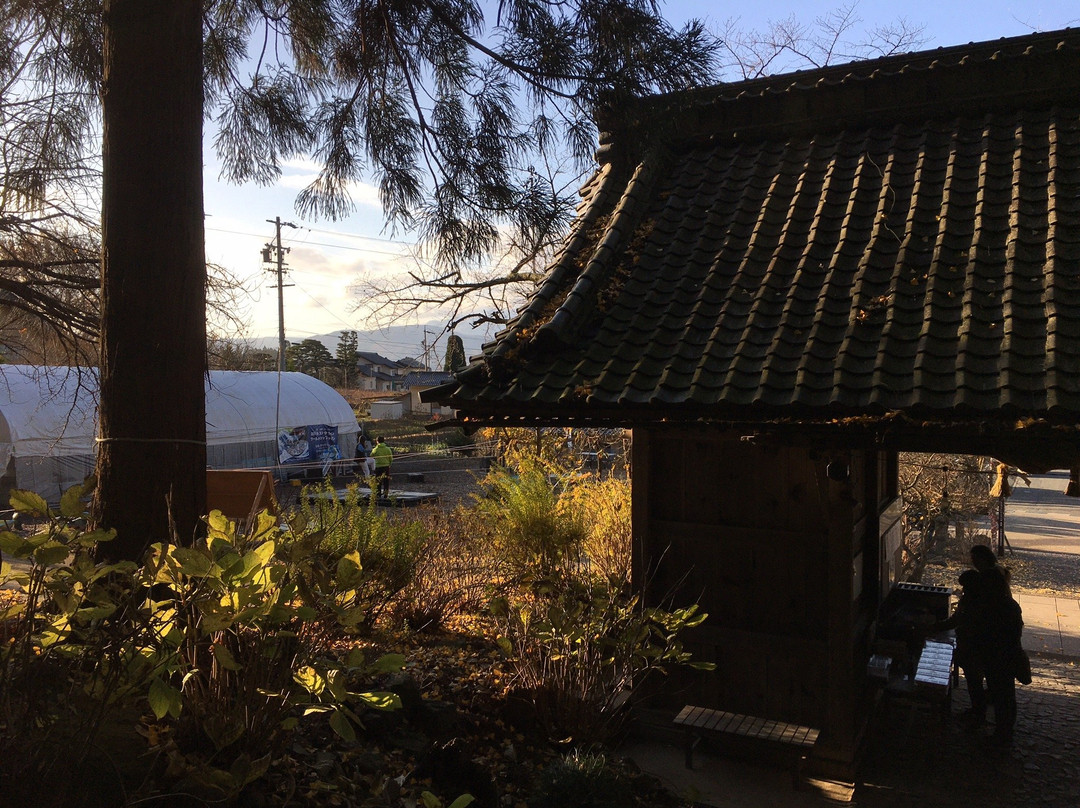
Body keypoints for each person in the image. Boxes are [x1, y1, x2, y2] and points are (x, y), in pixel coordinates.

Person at [934, 570, 991, 725]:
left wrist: (935, 626)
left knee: (974, 681)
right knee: (975, 681)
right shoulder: (980, 599)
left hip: (973, 646)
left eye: (965, 586)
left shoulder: (973, 601)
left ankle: (978, 713)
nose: (963, 590)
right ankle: (978, 711)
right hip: (973, 645)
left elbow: (957, 620)